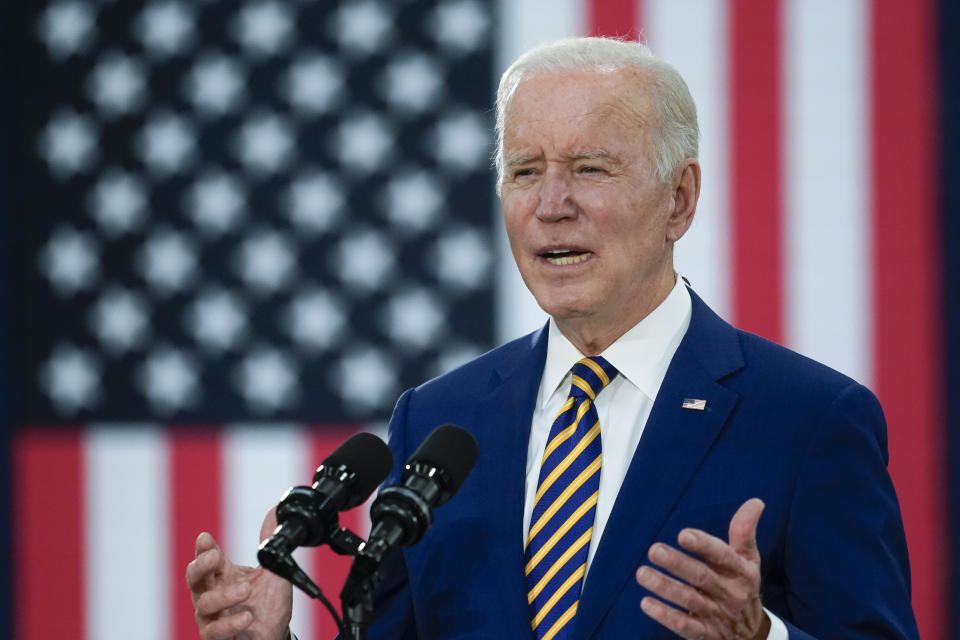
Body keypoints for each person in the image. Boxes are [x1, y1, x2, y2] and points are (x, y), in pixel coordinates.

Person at [187, 37, 918, 640]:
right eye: (524, 171)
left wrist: (762, 639)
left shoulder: (809, 420)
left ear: (680, 199)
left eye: (590, 169)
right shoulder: (441, 419)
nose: (551, 205)